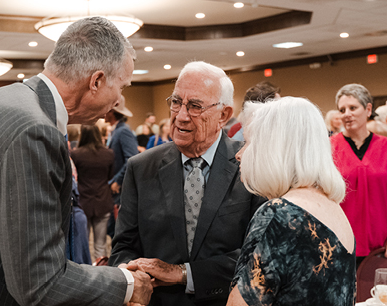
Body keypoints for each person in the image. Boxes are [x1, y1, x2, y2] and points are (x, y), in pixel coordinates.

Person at [0, 17, 152, 305]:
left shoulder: (0, 100)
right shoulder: (35, 130)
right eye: (122, 87)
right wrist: (126, 283)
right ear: (96, 81)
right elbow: (39, 282)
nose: (119, 101)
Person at [109, 61, 265, 306]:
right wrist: (132, 278)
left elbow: (259, 255)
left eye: (194, 106)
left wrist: (184, 274)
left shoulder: (251, 165)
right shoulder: (141, 167)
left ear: (223, 115)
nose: (181, 116)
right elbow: (124, 246)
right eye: (176, 102)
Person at [227, 97, 355, 306]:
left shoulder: (279, 214)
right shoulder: (335, 210)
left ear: (273, 150)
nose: (239, 154)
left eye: (248, 143)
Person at [331, 84, 387, 264]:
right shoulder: (328, 148)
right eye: (342, 110)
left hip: (381, 244)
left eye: (353, 108)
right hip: (339, 243)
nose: (346, 114)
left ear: (368, 109)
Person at [70, 125, 115, 260]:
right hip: (103, 200)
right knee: (101, 245)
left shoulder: (76, 154)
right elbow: (110, 176)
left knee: (84, 244)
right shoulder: (109, 154)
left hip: (83, 201)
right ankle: (102, 271)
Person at [105, 95, 139, 238]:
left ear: (112, 111)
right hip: (116, 187)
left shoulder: (123, 131)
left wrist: (118, 180)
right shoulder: (116, 130)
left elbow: (132, 158)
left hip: (121, 188)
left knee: (117, 231)